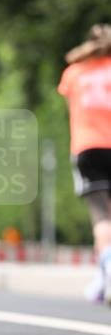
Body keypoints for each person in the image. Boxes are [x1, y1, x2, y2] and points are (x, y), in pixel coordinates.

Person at [58, 24, 111, 303]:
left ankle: (108, 271)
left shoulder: (75, 73)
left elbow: (73, 112)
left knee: (102, 216)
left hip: (89, 147)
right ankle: (103, 278)